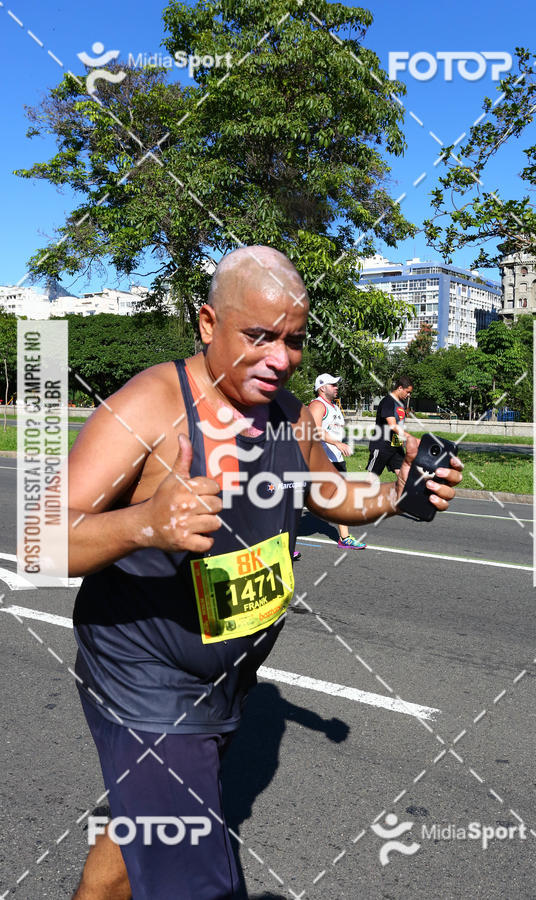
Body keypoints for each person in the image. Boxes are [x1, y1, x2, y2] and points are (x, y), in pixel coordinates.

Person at [66, 247, 461, 900]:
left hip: (225, 676)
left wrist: (398, 492)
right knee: (198, 879)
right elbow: (41, 537)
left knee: (130, 853)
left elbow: (332, 496)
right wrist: (144, 525)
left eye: (294, 340)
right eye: (260, 336)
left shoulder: (283, 416)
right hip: (145, 675)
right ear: (206, 324)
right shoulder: (149, 405)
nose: (281, 358)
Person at [308, 373, 366, 549]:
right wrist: (336, 442)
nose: (336, 387)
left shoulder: (333, 406)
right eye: (332, 384)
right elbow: (314, 430)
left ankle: (344, 538)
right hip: (320, 460)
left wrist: (339, 444)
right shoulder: (318, 405)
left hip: (336, 459)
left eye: (336, 384)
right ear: (322, 388)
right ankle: (282, 539)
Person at [366, 376, 414, 478]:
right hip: (382, 445)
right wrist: (410, 438)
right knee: (371, 479)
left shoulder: (401, 403)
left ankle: (401, 494)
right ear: (400, 388)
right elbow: (392, 425)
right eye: (407, 392)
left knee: (404, 478)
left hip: (396, 445)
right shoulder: (388, 401)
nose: (409, 395)